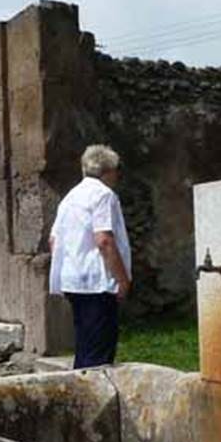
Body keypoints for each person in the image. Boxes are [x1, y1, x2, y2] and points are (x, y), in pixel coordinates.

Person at [48, 145, 132, 369]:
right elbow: (104, 239)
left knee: (85, 345)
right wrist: (122, 279)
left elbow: (54, 240)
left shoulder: (69, 198)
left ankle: (77, 386)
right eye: (116, 170)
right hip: (97, 281)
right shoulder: (103, 195)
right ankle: (92, 389)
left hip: (73, 280)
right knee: (99, 353)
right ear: (108, 170)